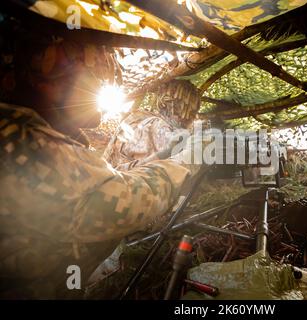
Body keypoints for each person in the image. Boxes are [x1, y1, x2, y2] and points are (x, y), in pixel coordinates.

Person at [0, 11, 194, 299]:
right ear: (36, 78)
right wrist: (189, 160)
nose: (97, 88)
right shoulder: (23, 140)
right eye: (82, 74)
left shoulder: (33, 132)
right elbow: (121, 202)